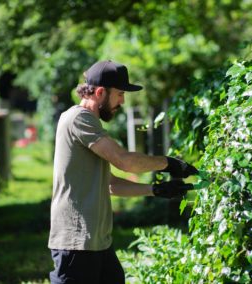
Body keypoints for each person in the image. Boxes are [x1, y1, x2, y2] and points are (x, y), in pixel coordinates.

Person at [48, 60, 198, 284]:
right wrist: (168, 163)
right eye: (119, 94)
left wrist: (155, 190)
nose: (123, 101)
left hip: (97, 243)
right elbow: (124, 161)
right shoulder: (79, 119)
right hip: (75, 244)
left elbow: (109, 184)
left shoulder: (91, 125)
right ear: (100, 92)